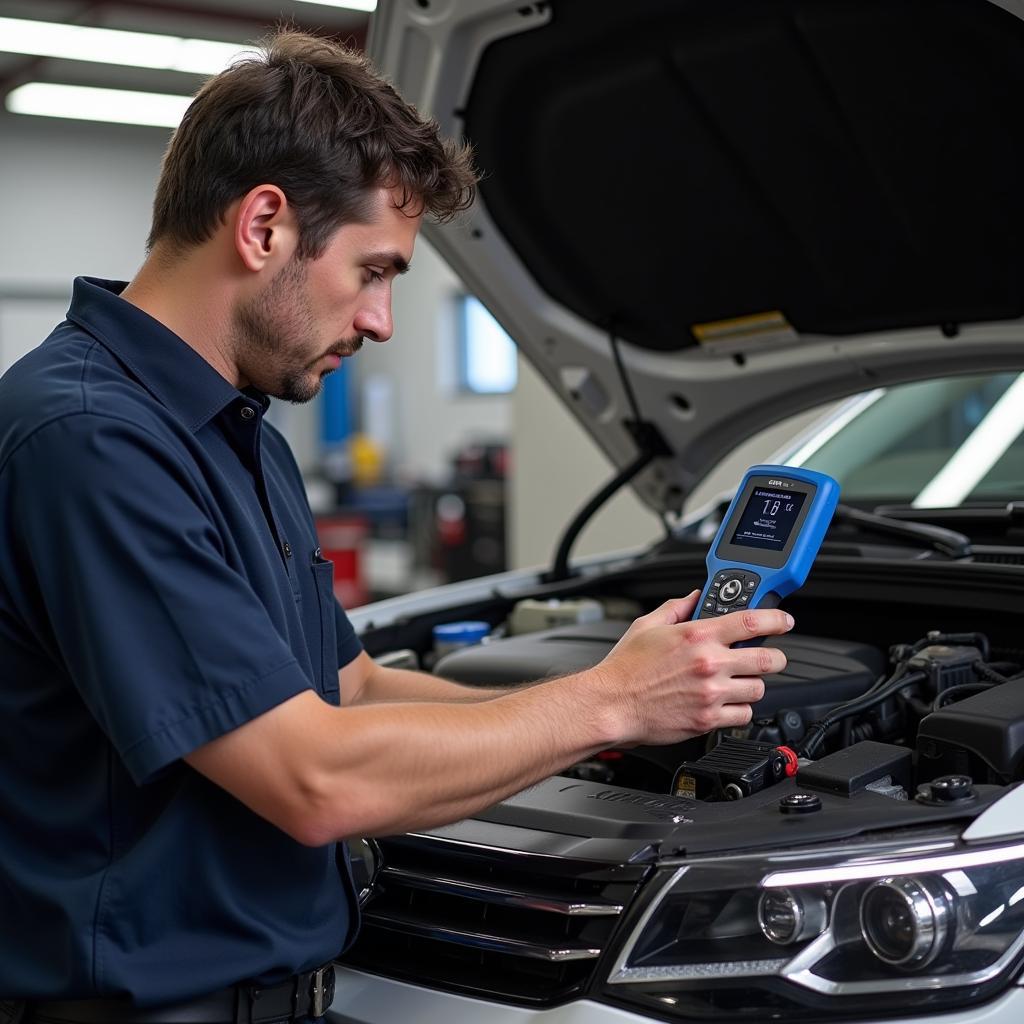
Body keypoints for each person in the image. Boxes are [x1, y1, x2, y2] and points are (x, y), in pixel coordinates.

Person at [0, 29, 793, 1024]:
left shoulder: (236, 429)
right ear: (263, 228)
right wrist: (608, 702)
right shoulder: (90, 441)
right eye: (374, 271)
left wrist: (596, 732)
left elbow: (352, 685)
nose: (380, 322)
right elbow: (314, 777)